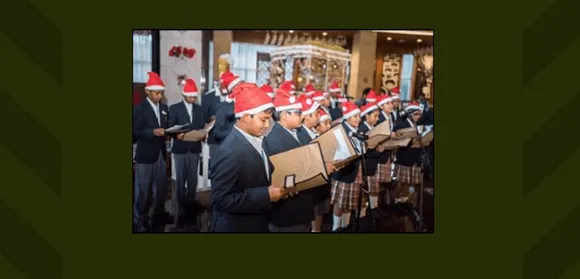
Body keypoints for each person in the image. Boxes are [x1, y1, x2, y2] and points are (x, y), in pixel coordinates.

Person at [209, 83, 287, 232]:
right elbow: (220, 200)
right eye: (263, 119)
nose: (267, 125)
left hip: (257, 221)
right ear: (245, 117)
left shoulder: (259, 139)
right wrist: (265, 195)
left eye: (269, 120)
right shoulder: (229, 151)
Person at [262, 91, 318, 232]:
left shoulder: (300, 133)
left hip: (303, 203)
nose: (302, 115)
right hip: (288, 209)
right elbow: (278, 173)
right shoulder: (274, 139)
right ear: (284, 115)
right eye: (298, 113)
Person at [167, 78, 207, 232]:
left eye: (194, 97)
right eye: (190, 97)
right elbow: (170, 126)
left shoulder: (199, 109)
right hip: (181, 149)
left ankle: (190, 206)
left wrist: (203, 133)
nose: (193, 99)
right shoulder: (175, 108)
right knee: (180, 180)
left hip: (194, 148)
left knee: (192, 180)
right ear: (184, 95)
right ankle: (180, 209)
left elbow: (201, 125)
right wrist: (176, 135)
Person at [133, 72, 169, 233]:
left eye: (161, 93)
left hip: (160, 154)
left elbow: (165, 128)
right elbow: (135, 131)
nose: (159, 95)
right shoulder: (139, 109)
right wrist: (152, 132)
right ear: (148, 92)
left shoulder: (164, 108)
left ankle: (158, 214)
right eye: (156, 92)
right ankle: (140, 218)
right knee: (143, 189)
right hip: (145, 156)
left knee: (161, 187)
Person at [330, 102, 363, 232]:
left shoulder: (356, 131)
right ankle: (335, 227)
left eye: (359, 116)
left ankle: (345, 226)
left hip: (354, 170)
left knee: (349, 202)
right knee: (340, 202)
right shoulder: (342, 131)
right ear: (347, 118)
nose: (358, 119)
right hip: (343, 173)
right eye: (355, 116)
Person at [392, 102, 424, 232]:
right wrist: (409, 143)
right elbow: (397, 139)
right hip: (404, 158)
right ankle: (398, 201)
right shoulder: (401, 124)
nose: (418, 117)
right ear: (410, 114)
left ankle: (407, 201)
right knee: (402, 181)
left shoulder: (416, 125)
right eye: (416, 114)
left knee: (412, 182)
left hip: (415, 158)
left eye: (419, 114)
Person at [357, 102, 383, 215]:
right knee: (364, 192)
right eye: (375, 116)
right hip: (366, 165)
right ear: (367, 116)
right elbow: (363, 152)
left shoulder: (373, 128)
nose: (377, 118)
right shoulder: (362, 130)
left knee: (373, 188)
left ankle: (373, 209)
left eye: (378, 116)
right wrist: (376, 151)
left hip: (373, 164)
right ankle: (362, 215)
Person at [311, 109, 332, 232]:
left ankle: (317, 230)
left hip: (326, 181)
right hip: (316, 182)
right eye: (325, 123)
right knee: (315, 210)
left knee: (321, 210)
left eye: (330, 123)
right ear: (317, 126)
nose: (329, 126)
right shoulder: (314, 139)